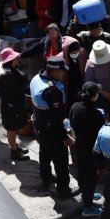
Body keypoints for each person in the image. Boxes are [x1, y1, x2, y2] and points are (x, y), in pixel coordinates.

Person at [31, 56, 75, 198]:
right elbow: (56, 118)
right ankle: (63, 190)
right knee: (61, 161)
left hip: (40, 125)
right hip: (52, 130)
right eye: (62, 71)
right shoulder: (52, 91)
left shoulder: (36, 78)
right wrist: (65, 137)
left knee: (44, 153)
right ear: (54, 72)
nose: (64, 74)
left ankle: (46, 178)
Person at [69, 82, 108, 216]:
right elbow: (101, 135)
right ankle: (88, 207)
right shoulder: (96, 115)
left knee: (82, 171)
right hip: (91, 150)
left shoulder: (74, 107)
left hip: (78, 145)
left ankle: (87, 194)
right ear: (95, 95)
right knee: (91, 177)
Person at [0, 47, 31, 161]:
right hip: (10, 106)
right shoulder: (7, 75)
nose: (18, 59)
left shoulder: (10, 70)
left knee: (14, 127)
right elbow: (18, 90)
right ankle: (14, 152)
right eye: (15, 58)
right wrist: (28, 88)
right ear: (11, 60)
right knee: (11, 129)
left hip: (12, 104)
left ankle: (15, 147)